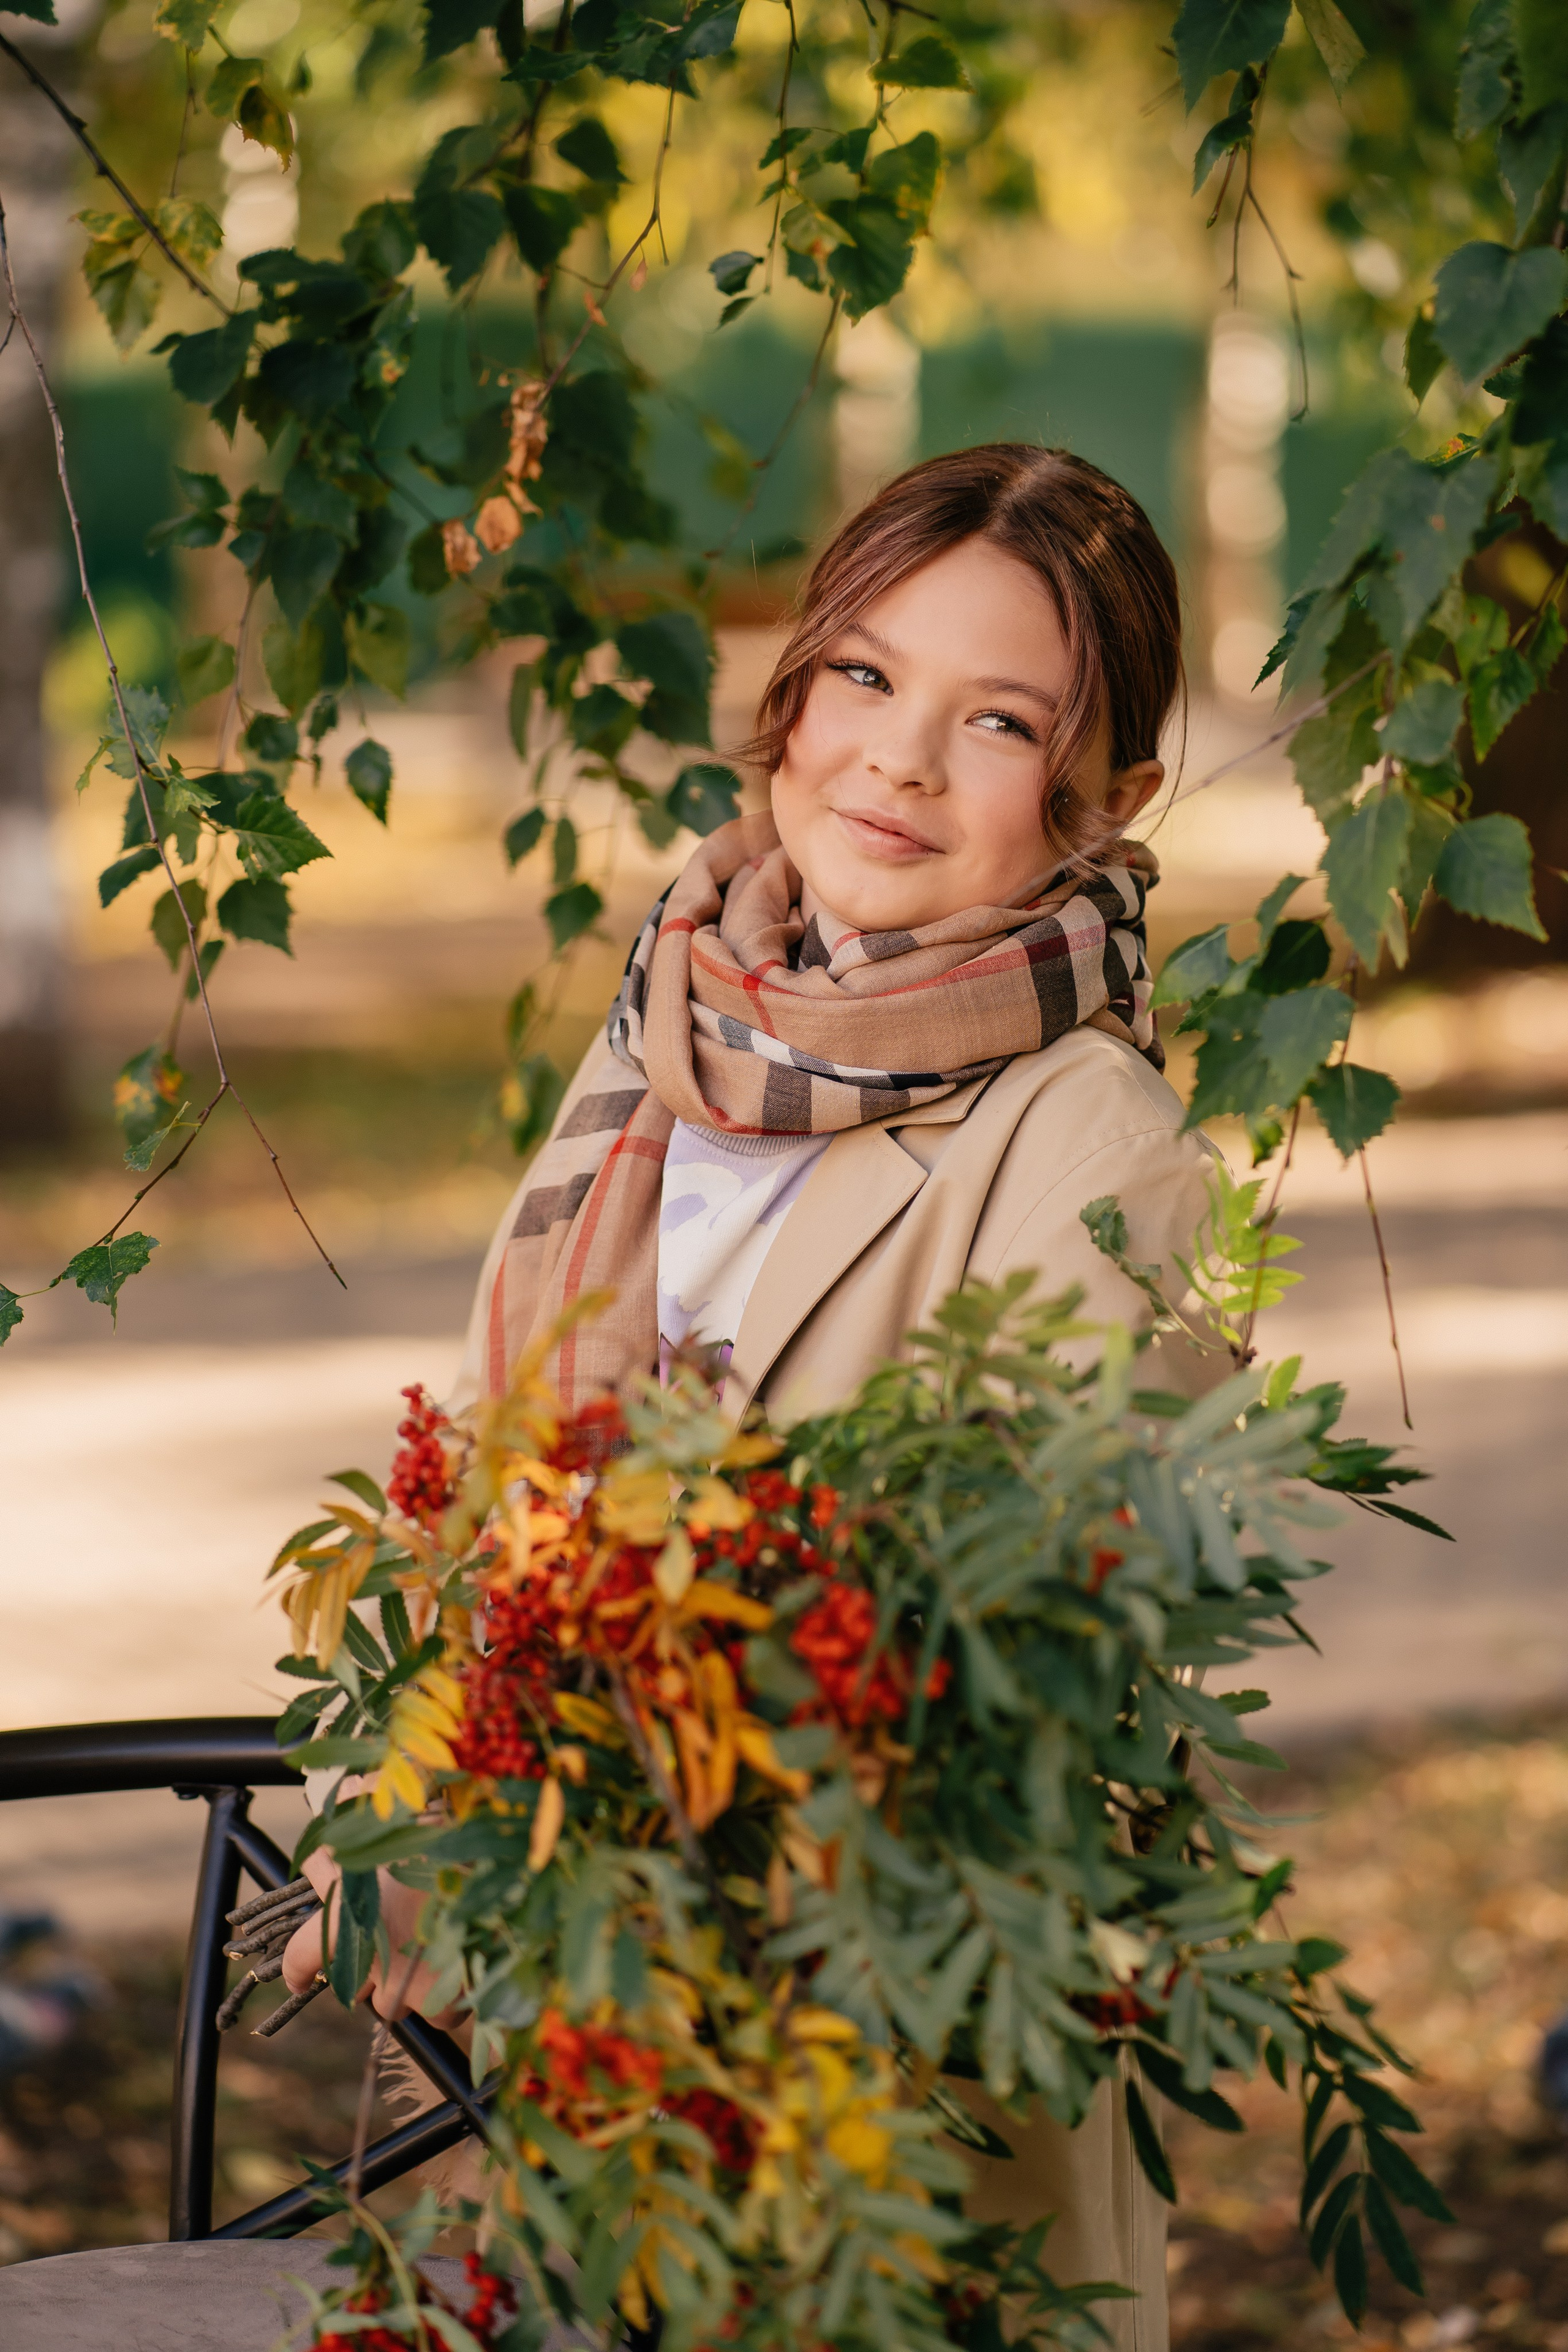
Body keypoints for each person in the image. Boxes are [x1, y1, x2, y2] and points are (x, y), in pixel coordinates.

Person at [288, 443, 1223, 2352]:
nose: (895, 759)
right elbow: (518, 1494)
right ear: (792, 691)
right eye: (867, 676)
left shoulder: (1093, 1140)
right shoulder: (681, 1012)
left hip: (858, 2112)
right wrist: (418, 1789)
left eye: (1001, 722)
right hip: (559, 2066)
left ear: (1104, 799)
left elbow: (1004, 1679)